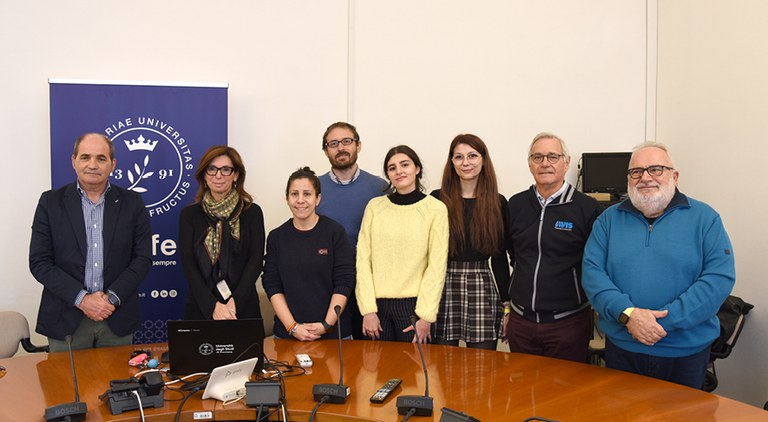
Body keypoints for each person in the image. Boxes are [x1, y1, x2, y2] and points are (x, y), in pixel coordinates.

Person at [582, 142, 735, 388]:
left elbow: (718, 279)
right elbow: (592, 274)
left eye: (656, 169)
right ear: (629, 178)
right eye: (637, 171)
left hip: (685, 355)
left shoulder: (705, 219)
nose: (645, 178)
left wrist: (661, 323)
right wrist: (629, 315)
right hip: (623, 350)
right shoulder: (607, 221)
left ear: (674, 176)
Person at [29, 133, 152, 351]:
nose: (92, 165)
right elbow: (40, 262)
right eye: (85, 157)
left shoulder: (132, 202)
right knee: (64, 385)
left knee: (118, 384)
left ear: (113, 164)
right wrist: (83, 300)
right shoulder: (50, 203)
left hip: (116, 317)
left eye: (101, 158)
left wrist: (111, 299)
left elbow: (142, 258)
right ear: (73, 161)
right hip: (65, 319)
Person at [505, 132, 602, 362]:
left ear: (566, 162)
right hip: (521, 322)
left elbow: (596, 263)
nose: (545, 163)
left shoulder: (587, 208)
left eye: (553, 156)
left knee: (565, 394)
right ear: (529, 164)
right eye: (538, 157)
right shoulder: (516, 204)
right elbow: (512, 252)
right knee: (522, 391)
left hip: (568, 324)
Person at [356, 145, 449, 343]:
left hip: (414, 308)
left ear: (417, 169)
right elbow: (363, 260)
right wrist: (368, 310)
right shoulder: (374, 207)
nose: (399, 171)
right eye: (392, 168)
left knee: (414, 371)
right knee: (378, 371)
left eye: (404, 165)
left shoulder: (435, 209)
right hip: (377, 309)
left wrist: (426, 315)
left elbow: (437, 265)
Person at [431, 134, 509, 350]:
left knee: (483, 368)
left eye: (472, 156)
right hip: (442, 286)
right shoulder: (437, 200)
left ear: (483, 160)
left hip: (482, 286)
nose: (466, 162)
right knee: (442, 367)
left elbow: (501, 258)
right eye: (459, 157)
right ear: (452, 162)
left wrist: (506, 305)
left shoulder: (498, 202)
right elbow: (426, 255)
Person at [262, 167, 355, 340]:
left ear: (318, 198)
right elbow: (272, 284)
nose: (300, 200)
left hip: (335, 335)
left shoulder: (335, 232)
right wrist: (292, 327)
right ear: (287, 199)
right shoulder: (276, 237)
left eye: (307, 194)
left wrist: (327, 325)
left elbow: (345, 280)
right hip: (288, 335)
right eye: (294, 194)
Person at [316, 122, 388, 340]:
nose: (341, 148)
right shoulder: (314, 189)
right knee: (335, 355)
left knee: (371, 355)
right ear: (326, 150)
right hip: (329, 286)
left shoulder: (380, 188)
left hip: (371, 287)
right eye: (334, 143)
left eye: (347, 141)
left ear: (359, 145)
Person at [179, 146, 265, 320]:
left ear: (236, 175)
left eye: (226, 170)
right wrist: (212, 306)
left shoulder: (252, 212)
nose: (218, 175)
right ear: (204, 175)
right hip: (201, 308)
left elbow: (255, 261)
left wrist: (235, 303)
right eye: (212, 169)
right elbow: (189, 266)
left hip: (243, 308)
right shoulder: (190, 215)